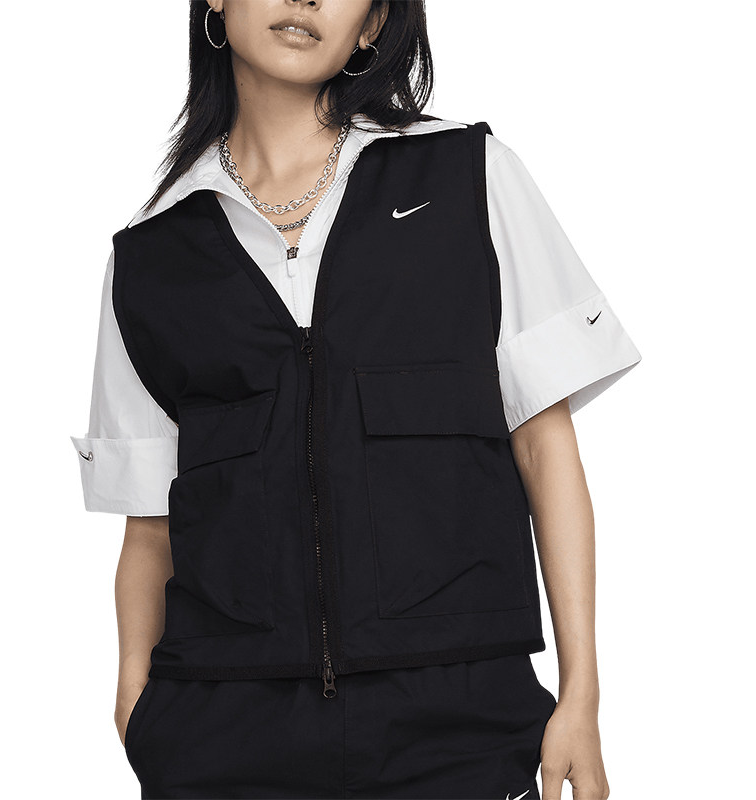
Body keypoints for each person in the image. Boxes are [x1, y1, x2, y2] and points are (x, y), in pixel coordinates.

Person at [69, 1, 641, 798]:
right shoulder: (153, 254)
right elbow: (151, 524)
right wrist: (139, 711)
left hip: (457, 731)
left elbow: (545, 448)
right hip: (220, 739)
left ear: (372, 25)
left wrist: (582, 695)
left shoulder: (465, 175)